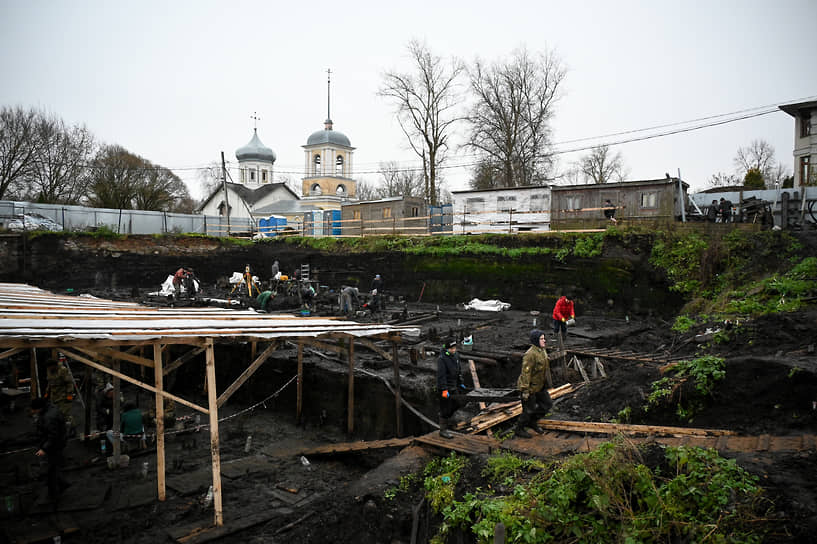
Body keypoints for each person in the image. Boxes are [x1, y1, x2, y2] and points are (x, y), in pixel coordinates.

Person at [515, 330, 553, 438]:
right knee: (528, 410)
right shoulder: (530, 355)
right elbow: (525, 373)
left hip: (540, 386)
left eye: (544, 338)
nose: (544, 340)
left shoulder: (542, 350)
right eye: (541, 339)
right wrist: (525, 390)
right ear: (536, 340)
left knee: (547, 404)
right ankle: (519, 429)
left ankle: (532, 422)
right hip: (530, 387)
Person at [31, 397, 67, 504]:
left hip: (54, 445)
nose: (33, 412)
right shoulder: (50, 409)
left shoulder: (49, 417)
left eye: (34, 410)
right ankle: (62, 484)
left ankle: (54, 494)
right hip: (57, 442)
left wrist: (44, 449)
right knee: (54, 466)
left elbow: (53, 436)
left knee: (51, 470)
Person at [436, 338, 468, 439]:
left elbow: (459, 371)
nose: (453, 350)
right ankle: (443, 430)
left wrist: (461, 383)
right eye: (451, 349)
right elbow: (441, 376)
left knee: (458, 403)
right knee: (445, 409)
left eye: (454, 348)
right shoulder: (442, 359)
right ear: (446, 349)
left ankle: (448, 420)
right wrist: (444, 389)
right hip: (445, 387)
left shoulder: (456, 356)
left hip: (454, 386)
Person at [45, 357, 74, 430]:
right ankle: (61, 429)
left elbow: (69, 383)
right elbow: (49, 382)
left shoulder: (63, 370)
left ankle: (72, 429)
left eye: (50, 367)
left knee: (65, 414)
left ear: (54, 365)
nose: (49, 369)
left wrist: (69, 396)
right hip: (54, 397)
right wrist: (46, 393)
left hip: (63, 396)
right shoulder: (49, 370)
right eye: (48, 367)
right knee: (56, 414)